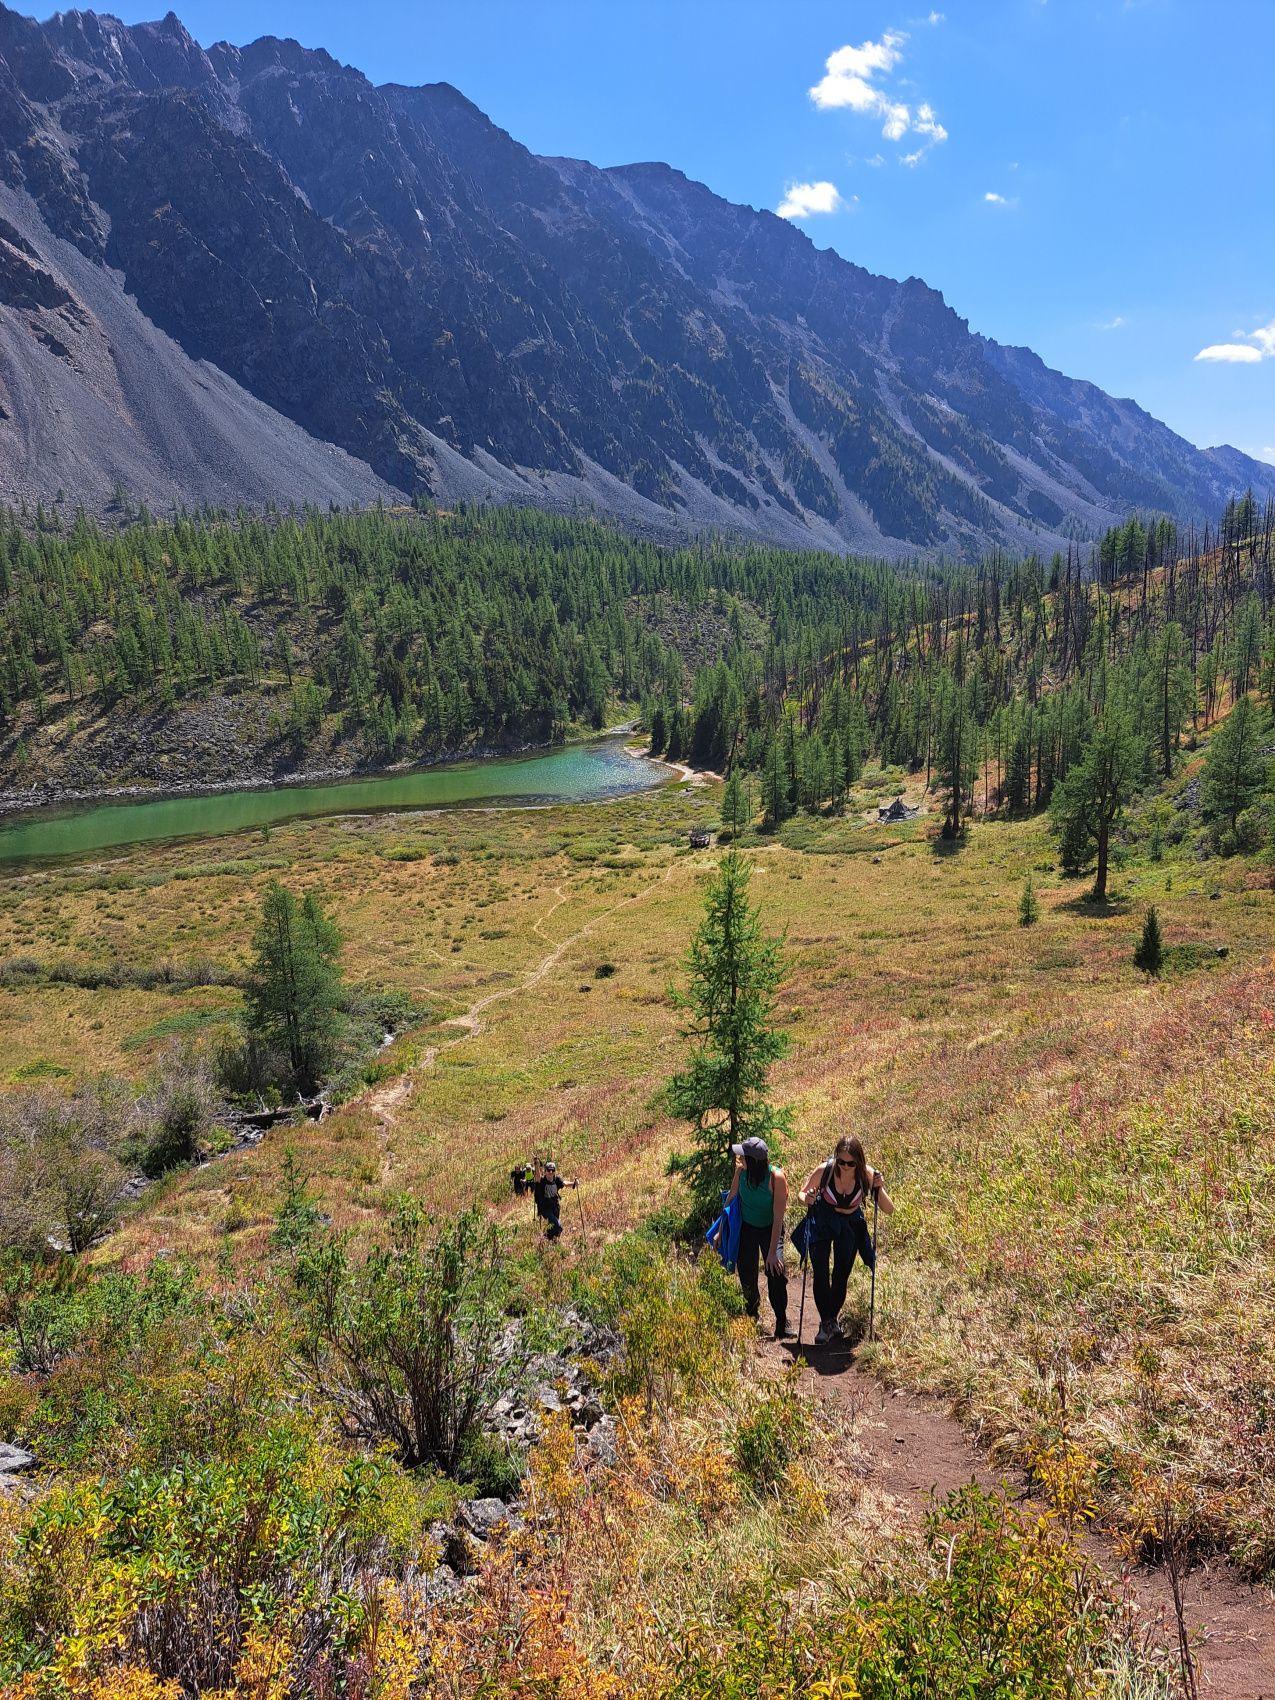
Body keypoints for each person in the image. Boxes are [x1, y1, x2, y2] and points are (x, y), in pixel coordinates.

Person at [799, 1136, 892, 1345]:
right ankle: (825, 1322)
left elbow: (888, 1209)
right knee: (820, 1271)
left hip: (850, 1224)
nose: (846, 1167)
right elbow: (801, 1193)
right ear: (836, 1158)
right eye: (841, 1162)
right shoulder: (825, 1170)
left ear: (859, 1161)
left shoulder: (867, 1175)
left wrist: (879, 1187)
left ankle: (831, 1319)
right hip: (823, 1219)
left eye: (851, 1163)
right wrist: (807, 1199)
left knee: (842, 1273)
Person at [724, 1136, 791, 1339]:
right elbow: (731, 1198)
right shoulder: (741, 1172)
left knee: (776, 1272)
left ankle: (782, 1322)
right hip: (747, 1228)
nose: (739, 1159)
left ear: (752, 1161)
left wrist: (772, 1252)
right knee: (747, 1274)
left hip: (771, 1227)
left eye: (743, 1156)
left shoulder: (776, 1178)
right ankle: (751, 1317)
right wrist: (720, 1230)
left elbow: (778, 1217)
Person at [531, 1157, 576, 1240]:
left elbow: (564, 1183)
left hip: (555, 1206)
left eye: (552, 1170)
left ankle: (547, 1239)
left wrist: (573, 1183)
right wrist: (537, 1164)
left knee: (553, 1227)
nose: (551, 1172)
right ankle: (546, 1237)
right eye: (548, 1170)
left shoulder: (557, 1180)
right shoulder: (542, 1181)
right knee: (558, 1225)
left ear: (555, 1171)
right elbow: (537, 1176)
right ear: (545, 1171)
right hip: (545, 1208)